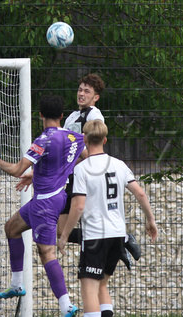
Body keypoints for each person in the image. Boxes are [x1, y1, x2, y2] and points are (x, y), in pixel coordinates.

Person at [0, 94, 85, 317]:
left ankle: (66, 306)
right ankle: (17, 285)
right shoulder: (74, 137)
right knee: (11, 228)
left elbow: (17, 170)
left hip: (45, 203)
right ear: (62, 115)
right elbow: (82, 158)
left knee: (47, 253)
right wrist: (40, 174)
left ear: (40, 115)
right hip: (56, 197)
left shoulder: (42, 141)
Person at [17, 74, 140, 268]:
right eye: (80, 89)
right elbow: (63, 150)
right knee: (61, 228)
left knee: (90, 222)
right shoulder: (73, 117)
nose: (81, 94)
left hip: (87, 177)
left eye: (87, 91)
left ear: (95, 97)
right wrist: (35, 173)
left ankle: (119, 241)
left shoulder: (94, 116)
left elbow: (88, 151)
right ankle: (121, 242)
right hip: (71, 176)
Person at [59, 120, 158, 317]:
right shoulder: (119, 164)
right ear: (105, 140)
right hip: (117, 236)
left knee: (89, 290)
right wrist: (150, 220)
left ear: (84, 139)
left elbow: (78, 205)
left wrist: (63, 235)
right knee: (102, 285)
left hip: (94, 237)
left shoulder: (81, 169)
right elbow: (140, 192)